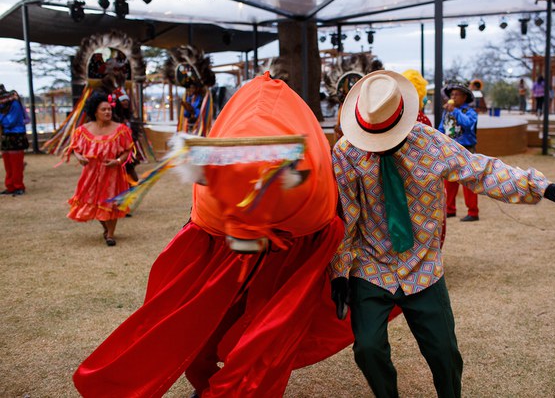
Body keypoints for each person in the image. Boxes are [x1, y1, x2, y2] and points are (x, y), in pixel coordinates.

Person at [72, 73, 354, 397]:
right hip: (229, 242)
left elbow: (327, 219)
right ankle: (208, 381)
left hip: (287, 245)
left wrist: (338, 270)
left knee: (267, 331)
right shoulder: (215, 202)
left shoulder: (307, 197)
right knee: (200, 321)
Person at [329, 70, 555, 398]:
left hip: (423, 266)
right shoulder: (346, 152)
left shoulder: (430, 143)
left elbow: (480, 170)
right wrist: (339, 272)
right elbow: (347, 217)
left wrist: (540, 184)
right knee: (367, 349)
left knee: (444, 354)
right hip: (371, 266)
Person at [66, 92, 133, 246]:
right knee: (94, 203)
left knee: (112, 203)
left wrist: (117, 161)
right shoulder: (83, 130)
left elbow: (127, 150)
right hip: (91, 173)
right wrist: (79, 157)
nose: (107, 112)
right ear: (95, 111)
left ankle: (110, 235)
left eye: (109, 109)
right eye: (103, 109)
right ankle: (105, 227)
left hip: (112, 173)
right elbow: (75, 148)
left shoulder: (120, 129)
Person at [439, 82, 479, 222]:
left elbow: (468, 124)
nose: (453, 97)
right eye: (452, 94)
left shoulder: (470, 112)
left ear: (464, 97)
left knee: (469, 181)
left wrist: (455, 111)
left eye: (457, 95)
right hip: (450, 150)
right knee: (449, 181)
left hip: (466, 150)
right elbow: (441, 129)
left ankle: (473, 212)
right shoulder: (446, 112)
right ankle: (449, 209)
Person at [0, 85, 29, 196]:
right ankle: (10, 186)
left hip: (16, 135)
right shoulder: (3, 106)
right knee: (8, 163)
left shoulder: (14, 104)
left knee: (16, 163)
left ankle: (18, 186)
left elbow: (10, 122)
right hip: (6, 135)